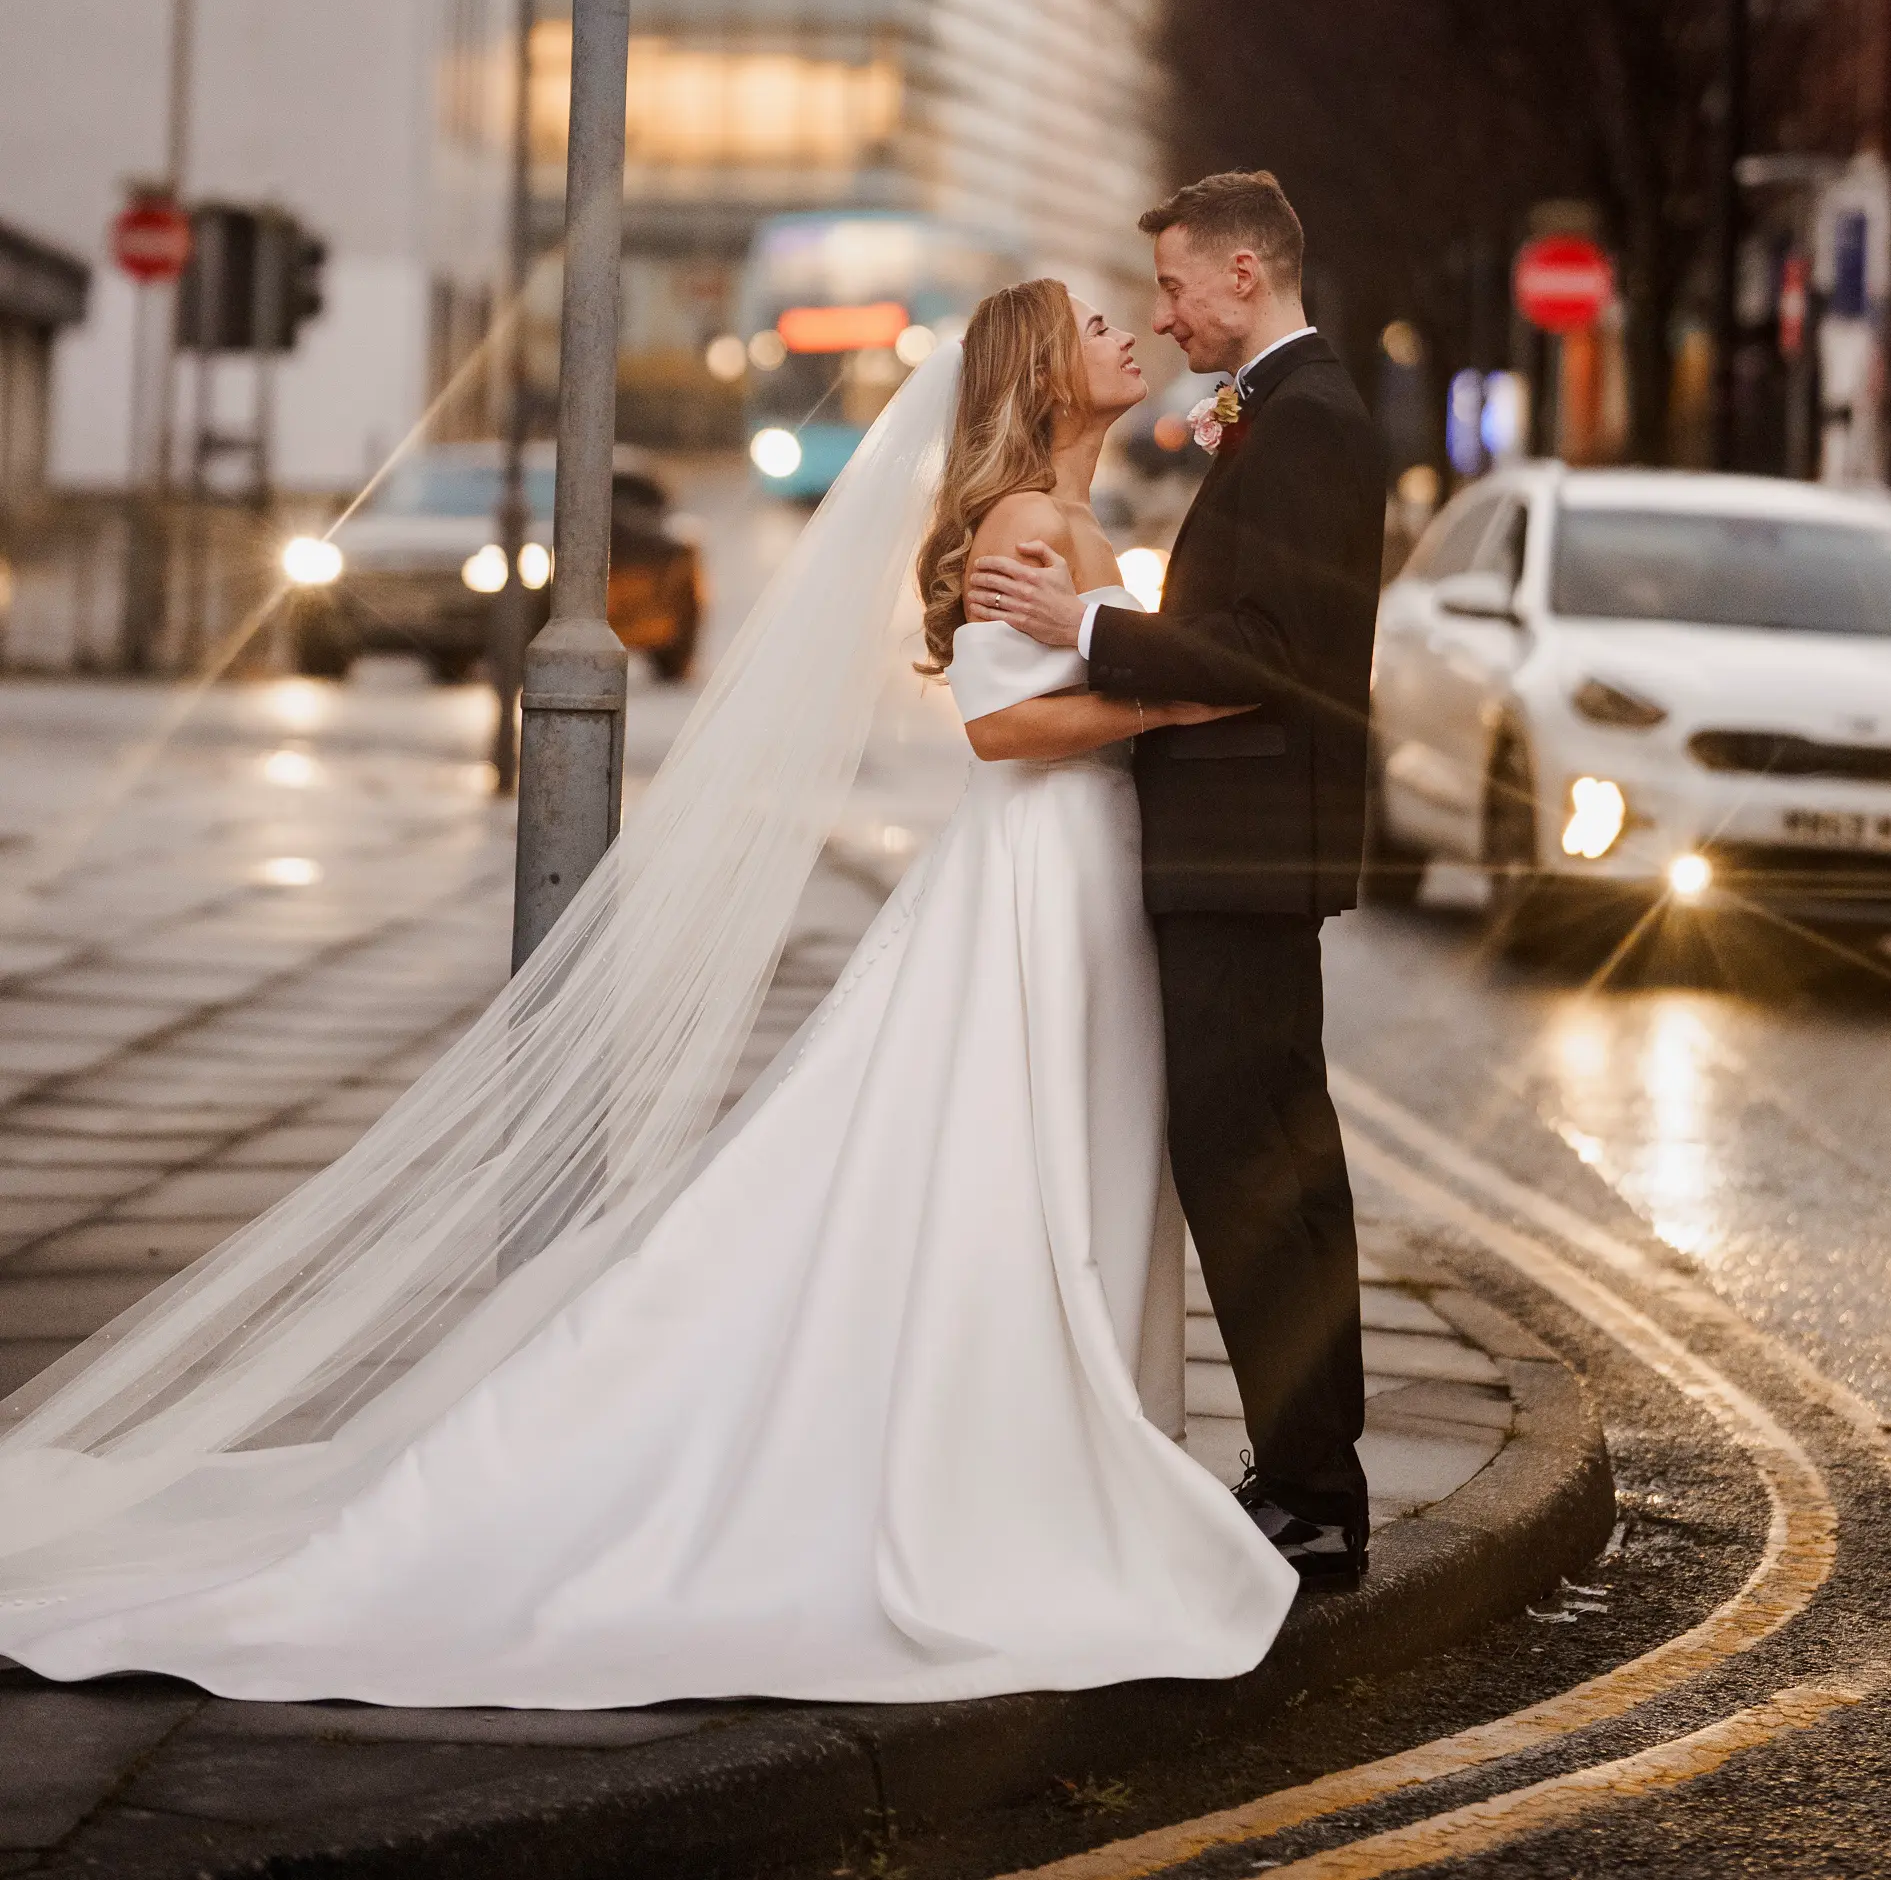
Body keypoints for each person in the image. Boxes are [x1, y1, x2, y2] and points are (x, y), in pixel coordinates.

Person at [0, 283, 1293, 1709]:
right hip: (1037, 877)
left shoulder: (1075, 518)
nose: (1125, 333)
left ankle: (1046, 1442)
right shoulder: (1023, 526)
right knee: (1009, 1156)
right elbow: (999, 727)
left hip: (1089, 871)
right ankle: (1007, 1460)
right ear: (1041, 376)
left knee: (1064, 1150)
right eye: (1093, 325)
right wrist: (1176, 698)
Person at [968, 173, 1386, 1577]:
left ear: (1245, 274)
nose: (1163, 316)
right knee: (1280, 1160)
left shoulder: (1307, 421)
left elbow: (1267, 653)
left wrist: (1089, 628)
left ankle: (1310, 1493)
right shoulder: (1284, 411)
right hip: (1241, 849)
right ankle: (1315, 1477)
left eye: (1174, 286)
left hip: (1242, 851)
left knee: (1249, 1165)